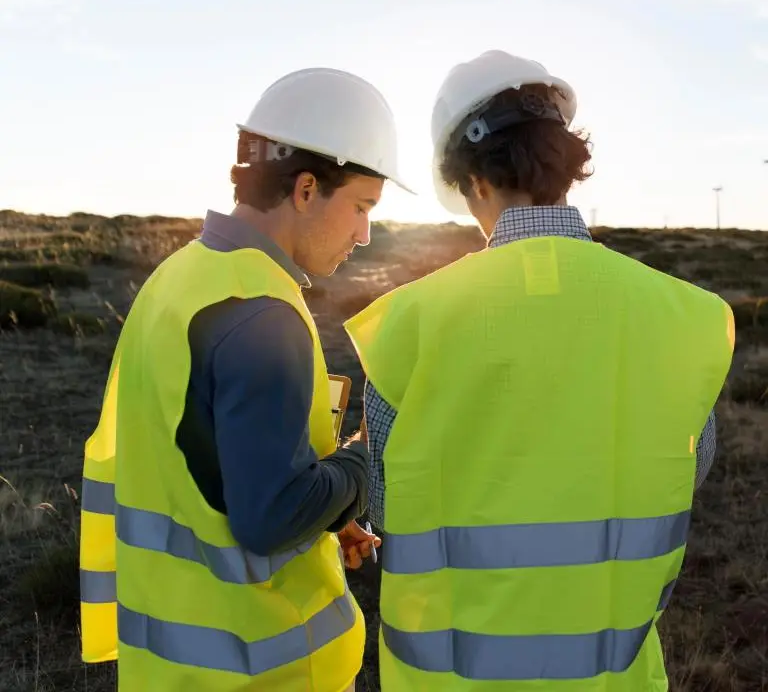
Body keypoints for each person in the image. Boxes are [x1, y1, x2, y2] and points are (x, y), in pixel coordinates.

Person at [343, 50, 734, 690]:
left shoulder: (408, 323)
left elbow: (383, 500)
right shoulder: (683, 316)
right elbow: (689, 469)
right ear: (565, 166)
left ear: (470, 180)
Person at [78, 67, 412, 691]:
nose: (365, 234)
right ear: (307, 188)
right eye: (362, 207)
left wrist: (324, 512)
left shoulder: (177, 278)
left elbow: (201, 470)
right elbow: (269, 518)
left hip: (169, 667)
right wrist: (361, 465)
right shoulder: (263, 313)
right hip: (260, 671)